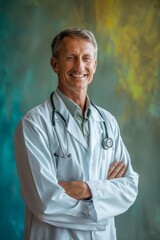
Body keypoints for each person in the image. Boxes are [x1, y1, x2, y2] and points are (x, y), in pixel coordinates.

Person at [14, 28, 139, 240]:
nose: (80, 66)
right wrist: (102, 203)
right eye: (71, 58)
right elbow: (46, 203)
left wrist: (88, 189)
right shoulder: (34, 124)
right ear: (55, 64)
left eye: (87, 59)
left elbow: (129, 188)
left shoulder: (107, 122)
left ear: (95, 66)